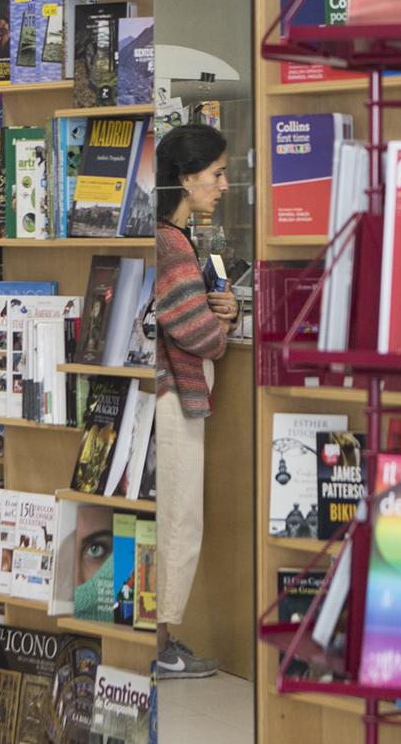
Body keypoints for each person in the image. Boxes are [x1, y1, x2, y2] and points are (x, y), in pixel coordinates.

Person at [149, 124, 237, 680]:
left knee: (168, 519)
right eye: (217, 173)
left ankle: (160, 640)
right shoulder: (172, 242)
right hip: (173, 400)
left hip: (157, 395)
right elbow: (194, 331)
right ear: (186, 178)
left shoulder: (164, 238)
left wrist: (217, 309)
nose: (224, 184)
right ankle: (159, 645)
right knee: (177, 519)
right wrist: (222, 326)